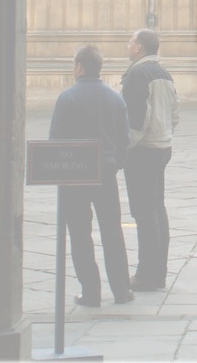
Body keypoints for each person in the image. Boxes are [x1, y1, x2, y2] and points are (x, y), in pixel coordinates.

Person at [48, 45, 134, 306]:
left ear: (79, 66)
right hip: (106, 171)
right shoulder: (114, 98)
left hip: (75, 173)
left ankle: (91, 292)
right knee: (112, 231)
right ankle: (121, 290)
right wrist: (116, 163)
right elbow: (124, 138)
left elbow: (55, 139)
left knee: (79, 232)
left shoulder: (67, 98)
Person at [121, 29, 180, 292]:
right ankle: (159, 273)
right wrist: (164, 133)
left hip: (142, 150)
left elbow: (136, 117)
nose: (128, 45)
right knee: (157, 209)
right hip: (162, 146)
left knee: (144, 212)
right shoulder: (164, 73)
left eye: (131, 42)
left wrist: (126, 147)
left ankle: (146, 274)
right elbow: (175, 112)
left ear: (139, 47)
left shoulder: (137, 73)